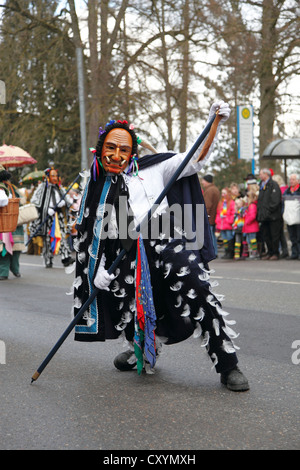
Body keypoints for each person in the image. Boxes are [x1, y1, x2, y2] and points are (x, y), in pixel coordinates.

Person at [72, 102, 249, 392]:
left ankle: (228, 364)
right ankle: (142, 350)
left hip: (166, 237)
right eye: (111, 148)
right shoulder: (95, 186)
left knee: (197, 287)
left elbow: (195, 159)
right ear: (101, 147)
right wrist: (99, 268)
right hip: (126, 250)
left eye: (124, 149)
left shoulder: (155, 168)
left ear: (132, 152)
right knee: (126, 298)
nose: (116, 155)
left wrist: (213, 121)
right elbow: (91, 232)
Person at [29, 167, 74, 268]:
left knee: (61, 236)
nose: (55, 177)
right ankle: (48, 259)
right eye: (52, 175)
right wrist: (46, 209)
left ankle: (66, 258)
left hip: (58, 217)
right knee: (48, 239)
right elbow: (35, 202)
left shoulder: (60, 188)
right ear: (48, 177)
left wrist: (65, 203)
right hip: (47, 217)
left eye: (56, 175)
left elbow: (67, 200)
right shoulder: (42, 188)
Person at [0, 165, 25, 280]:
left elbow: (20, 201)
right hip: (3, 221)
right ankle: (4, 271)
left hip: (11, 220)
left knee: (16, 249)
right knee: (2, 250)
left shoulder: (13, 188)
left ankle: (15, 268)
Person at [257, 168, 282, 260]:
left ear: (266, 174)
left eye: (260, 174)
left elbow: (275, 201)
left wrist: (268, 211)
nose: (259, 176)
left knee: (274, 235)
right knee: (266, 235)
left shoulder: (273, 185)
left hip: (273, 216)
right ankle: (270, 252)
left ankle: (275, 253)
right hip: (264, 216)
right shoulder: (261, 185)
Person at [201, 174, 220, 257]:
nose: (202, 182)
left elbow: (207, 206)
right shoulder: (215, 189)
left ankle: (213, 252)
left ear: (206, 181)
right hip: (214, 216)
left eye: (203, 180)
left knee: (210, 236)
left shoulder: (209, 191)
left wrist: (204, 217)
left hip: (209, 217)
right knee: (212, 236)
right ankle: (214, 251)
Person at [283, 174, 300, 260]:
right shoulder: (287, 191)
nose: (291, 181)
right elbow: (283, 204)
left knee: (299, 237)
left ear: (298, 181)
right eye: (290, 179)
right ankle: (294, 253)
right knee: (292, 237)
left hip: (298, 218)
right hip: (290, 218)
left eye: (293, 179)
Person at [215, 187, 235, 259]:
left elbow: (233, 213)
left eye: (224, 193)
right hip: (222, 224)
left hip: (227, 223)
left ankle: (230, 252)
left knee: (229, 237)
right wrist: (217, 221)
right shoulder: (221, 203)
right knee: (224, 239)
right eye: (222, 193)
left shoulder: (231, 202)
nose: (223, 195)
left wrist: (229, 220)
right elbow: (218, 213)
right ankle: (226, 252)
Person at [243, 187, 260, 259]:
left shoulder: (252, 206)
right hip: (248, 226)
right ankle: (252, 252)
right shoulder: (248, 206)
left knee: (252, 240)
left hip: (251, 226)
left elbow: (253, 216)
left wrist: (247, 221)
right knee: (249, 240)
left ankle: (254, 252)